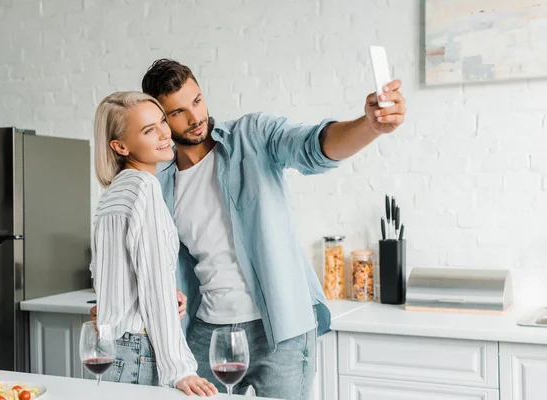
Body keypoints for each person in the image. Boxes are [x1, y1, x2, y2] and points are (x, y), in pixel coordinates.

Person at [93, 59, 406, 399]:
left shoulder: (251, 137)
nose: (195, 117)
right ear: (161, 121)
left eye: (197, 100)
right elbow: (141, 259)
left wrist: (370, 126)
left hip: (281, 331)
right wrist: (116, 305)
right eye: (177, 112)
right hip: (205, 330)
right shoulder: (158, 182)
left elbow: (315, 146)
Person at [90, 91, 218, 397]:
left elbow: (107, 274)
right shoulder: (145, 188)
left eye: (162, 121)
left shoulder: (111, 194)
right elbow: (153, 285)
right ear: (120, 146)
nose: (164, 133)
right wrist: (180, 369)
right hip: (139, 351)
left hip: (112, 348)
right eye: (149, 130)